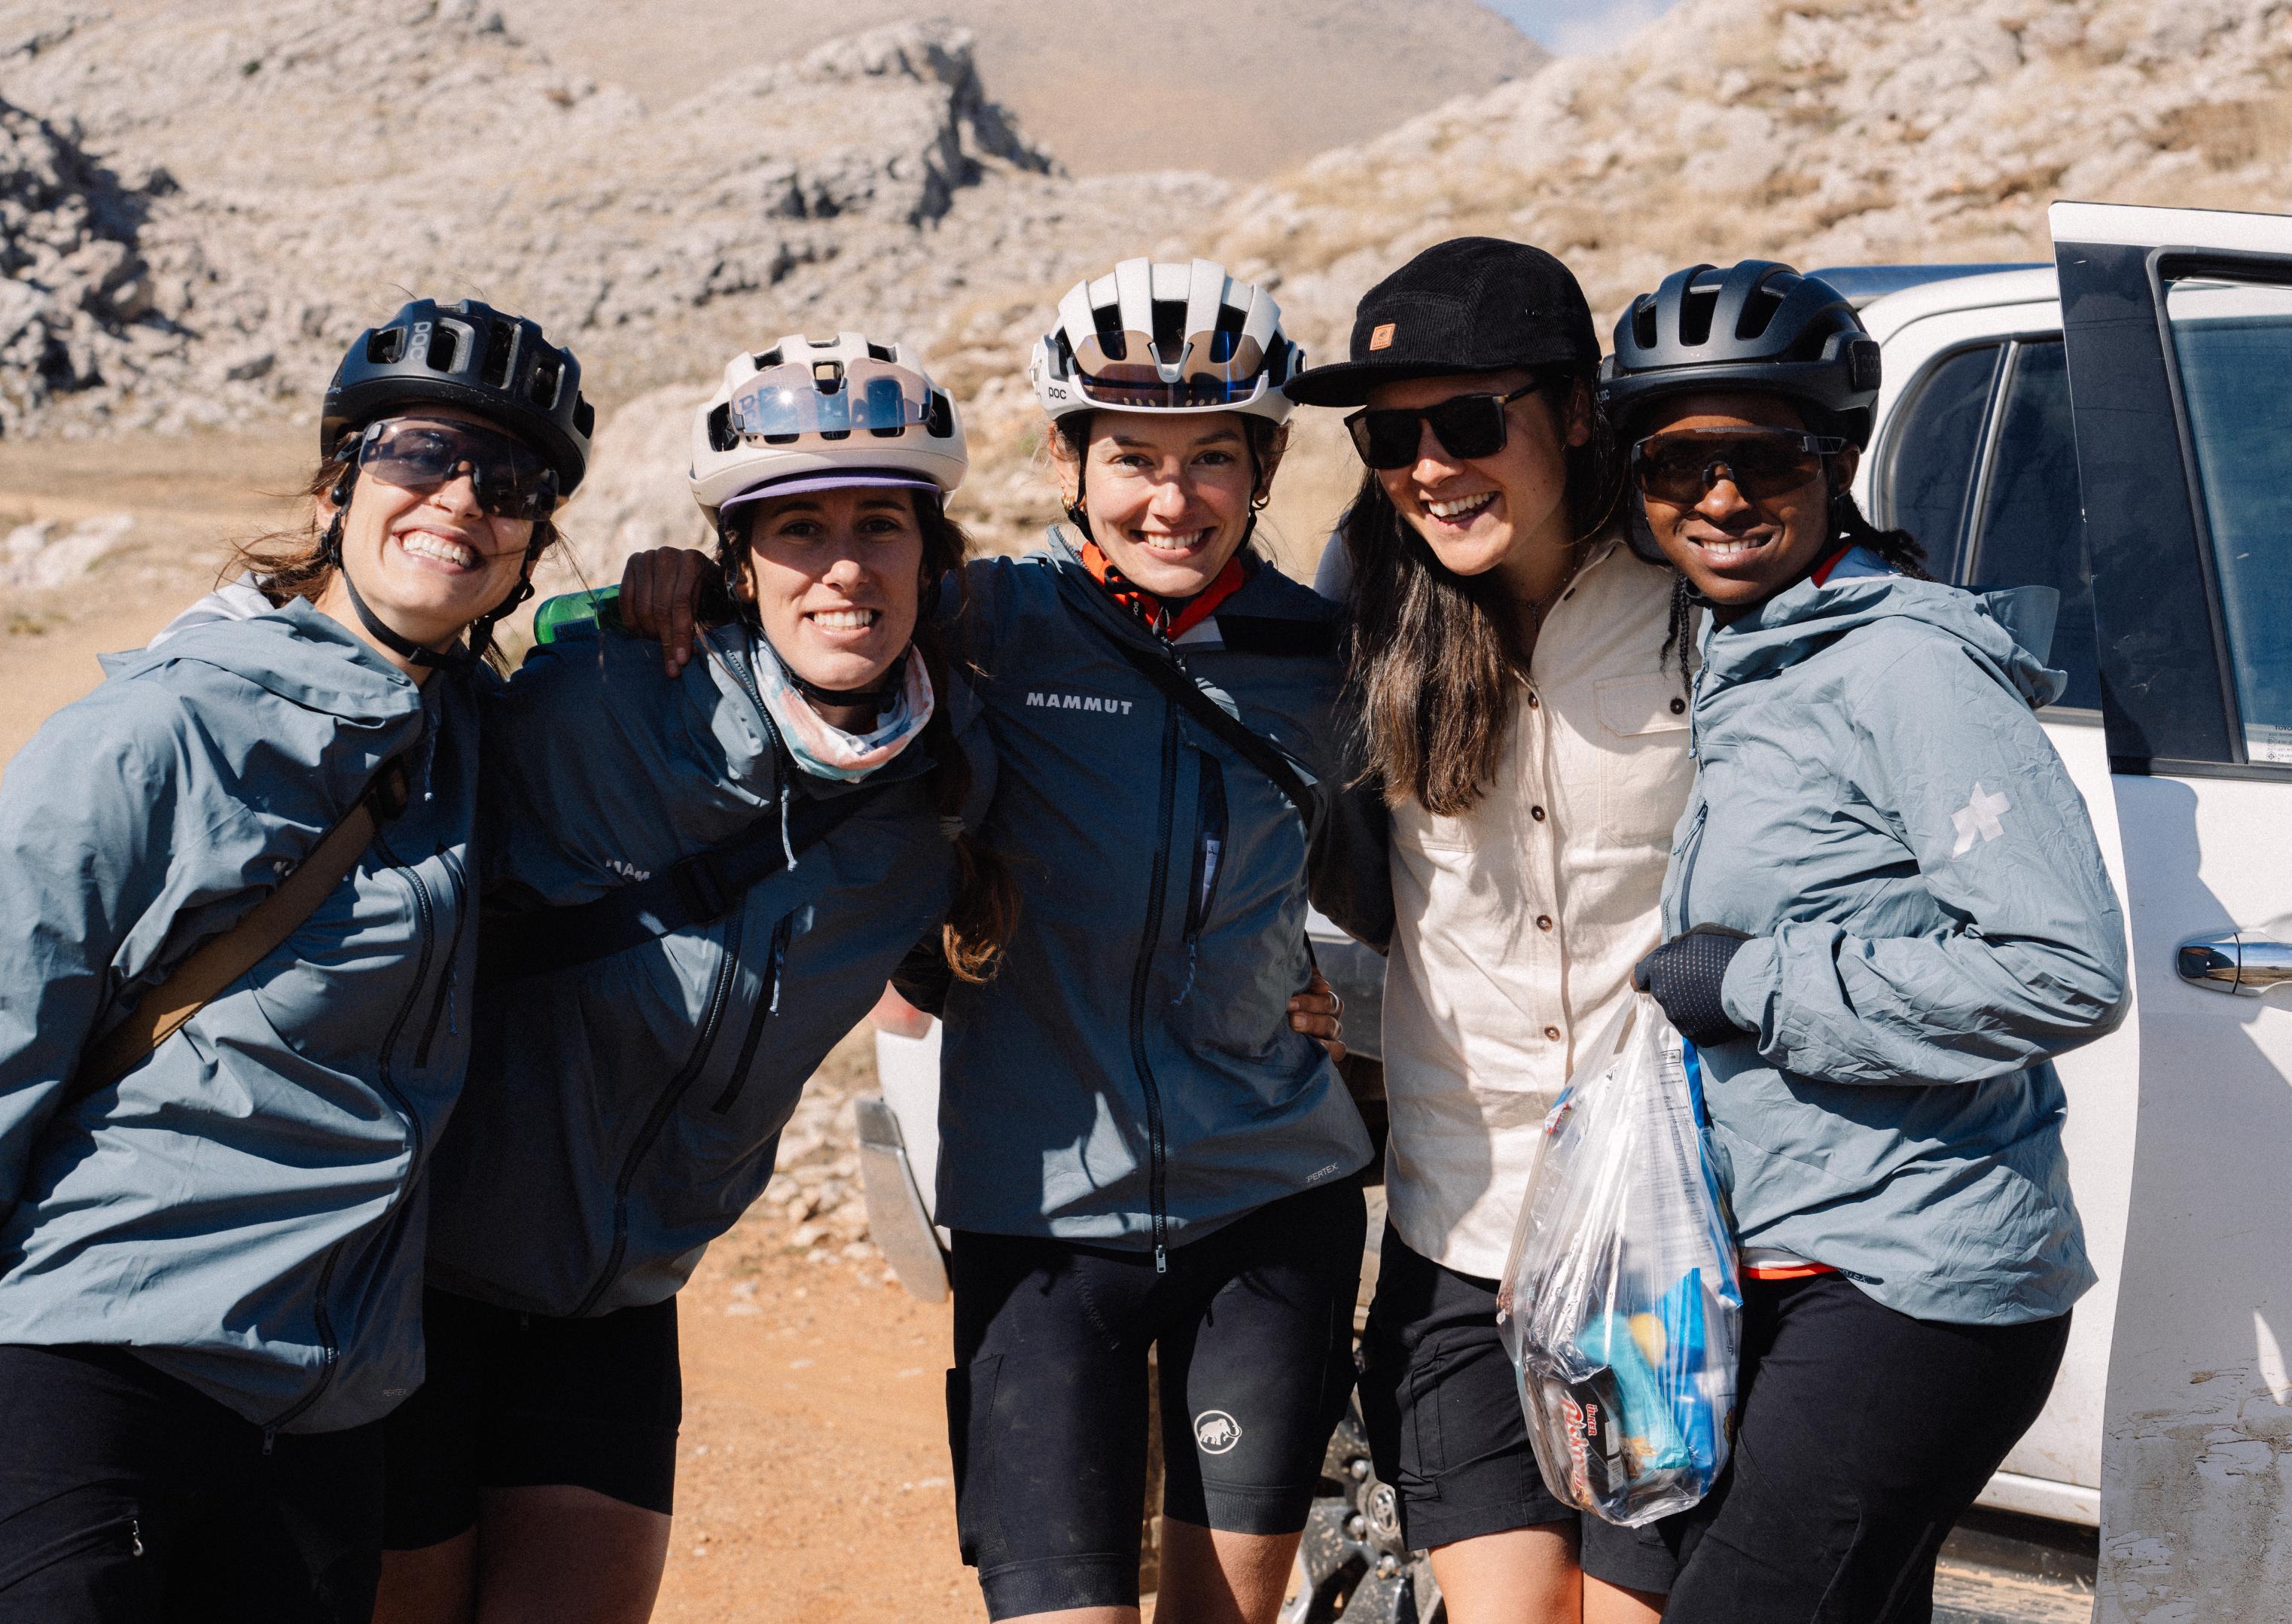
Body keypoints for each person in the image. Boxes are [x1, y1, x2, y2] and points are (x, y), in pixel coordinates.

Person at [622, 257, 1365, 1624]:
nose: (1172, 497)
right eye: (1132, 454)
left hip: (1272, 1200)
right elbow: (802, 624)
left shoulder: (1329, 658)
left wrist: (1331, 997)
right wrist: (658, 583)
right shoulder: (985, 625)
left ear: (1264, 466)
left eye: (1215, 456)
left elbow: (1417, 880)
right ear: (1063, 455)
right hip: (1039, 1218)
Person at [370, 333, 1013, 1624]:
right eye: (797, 531)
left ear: (930, 555)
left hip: (617, 1305)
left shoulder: (945, 792)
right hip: (409, 1283)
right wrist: (586, 604)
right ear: (737, 562)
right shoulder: (596, 699)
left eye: (879, 525)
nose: (841, 566)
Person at [0, 297, 589, 1622]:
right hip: (102, 1364)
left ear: (530, 543)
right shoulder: (162, 725)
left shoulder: (469, 745)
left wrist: (685, 583)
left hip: (328, 1412)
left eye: (511, 485)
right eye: (423, 454)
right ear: (340, 483)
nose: (461, 500)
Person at [1605, 260, 2129, 1621]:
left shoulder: (1905, 662)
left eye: (1764, 456)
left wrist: (1756, 981)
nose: (1720, 497)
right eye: (1676, 464)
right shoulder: (1743, 646)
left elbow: (2062, 962)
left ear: (1837, 457)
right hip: (1779, 1267)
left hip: (1916, 1278)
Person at [1285, 237, 1690, 1624]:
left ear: (1577, 411)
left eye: (1467, 421)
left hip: (1668, 1251)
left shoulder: (1695, 600)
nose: (1429, 464)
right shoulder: (1367, 613)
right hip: (1461, 1233)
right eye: (1390, 434)